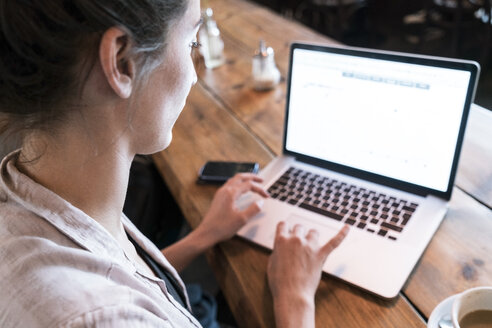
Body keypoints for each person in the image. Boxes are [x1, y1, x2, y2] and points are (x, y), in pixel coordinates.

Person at [0, 0, 349, 327]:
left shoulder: (30, 189)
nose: (194, 75)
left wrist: (203, 236)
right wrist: (295, 300)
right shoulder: (102, 317)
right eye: (190, 42)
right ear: (122, 62)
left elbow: (122, 276)